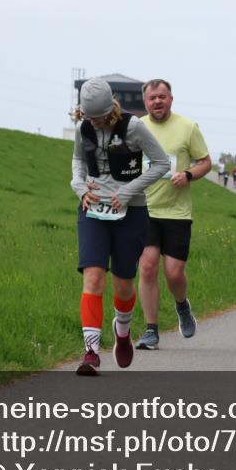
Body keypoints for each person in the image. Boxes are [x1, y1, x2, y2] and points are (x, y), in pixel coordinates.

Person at [70, 78, 170, 375]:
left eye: (99, 117)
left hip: (131, 212)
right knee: (93, 278)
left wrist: (128, 192)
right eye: (89, 117)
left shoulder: (134, 127)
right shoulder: (82, 128)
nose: (95, 122)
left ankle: (123, 333)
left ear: (110, 109)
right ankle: (90, 352)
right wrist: (78, 186)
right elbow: (78, 162)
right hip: (92, 210)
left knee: (124, 284)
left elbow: (162, 163)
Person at [135, 79, 212, 350]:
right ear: (145, 102)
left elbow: (205, 162)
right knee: (147, 267)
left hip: (177, 212)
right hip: (144, 209)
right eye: (152, 97)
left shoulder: (188, 127)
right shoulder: (136, 128)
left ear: (171, 99)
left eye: (162, 97)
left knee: (174, 274)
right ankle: (151, 330)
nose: (157, 101)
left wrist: (188, 174)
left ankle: (182, 306)